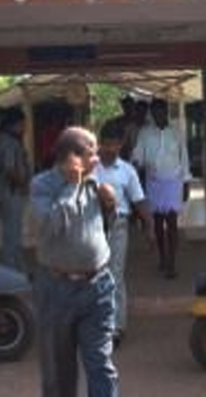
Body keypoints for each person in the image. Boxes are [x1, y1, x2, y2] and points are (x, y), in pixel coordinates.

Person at [30, 127, 120, 397]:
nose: (99, 155)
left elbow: (103, 231)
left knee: (100, 364)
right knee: (59, 373)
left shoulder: (95, 183)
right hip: (57, 290)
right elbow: (50, 227)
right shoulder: (42, 186)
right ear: (73, 157)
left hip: (98, 288)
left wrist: (110, 206)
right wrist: (71, 186)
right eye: (93, 150)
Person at [95, 119, 156, 345]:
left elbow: (139, 201)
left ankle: (116, 327)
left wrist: (150, 228)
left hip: (119, 225)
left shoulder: (127, 171)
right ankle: (97, 324)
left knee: (115, 276)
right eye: (106, 144)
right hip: (93, 227)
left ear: (121, 145)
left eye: (115, 144)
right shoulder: (89, 169)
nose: (110, 149)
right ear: (100, 144)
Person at [133, 99, 192, 278]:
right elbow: (138, 156)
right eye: (155, 112)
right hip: (154, 181)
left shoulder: (176, 132)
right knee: (157, 222)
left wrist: (186, 182)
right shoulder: (144, 133)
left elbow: (184, 157)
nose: (158, 115)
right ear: (152, 113)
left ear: (166, 112)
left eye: (161, 112)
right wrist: (135, 163)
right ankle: (162, 257)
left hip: (174, 181)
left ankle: (172, 263)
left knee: (172, 222)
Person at [0, 107, 31, 272]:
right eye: (22, 124)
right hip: (11, 192)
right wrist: (22, 184)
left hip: (12, 192)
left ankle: (17, 268)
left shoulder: (11, 141)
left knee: (14, 233)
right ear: (14, 124)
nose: (24, 127)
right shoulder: (8, 142)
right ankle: (11, 270)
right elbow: (9, 169)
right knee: (12, 235)